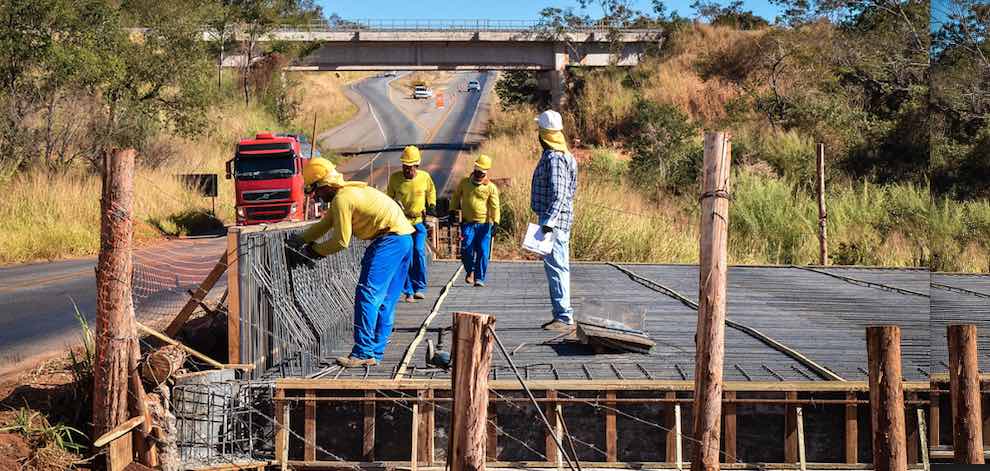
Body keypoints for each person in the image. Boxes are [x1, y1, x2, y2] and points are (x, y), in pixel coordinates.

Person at [291, 158, 414, 368]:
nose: (317, 197)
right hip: (404, 239)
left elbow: (341, 241)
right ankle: (375, 352)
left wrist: (312, 251)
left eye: (316, 192)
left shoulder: (342, 199)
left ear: (324, 185)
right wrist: (300, 240)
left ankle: (362, 352)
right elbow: (325, 225)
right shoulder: (347, 193)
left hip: (390, 241)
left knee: (368, 294)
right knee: (385, 301)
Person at [530, 110, 578, 332]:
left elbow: (559, 194)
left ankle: (563, 316)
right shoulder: (565, 156)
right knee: (559, 266)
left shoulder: (555, 158)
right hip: (558, 220)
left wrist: (548, 223)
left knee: (557, 267)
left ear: (544, 134)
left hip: (554, 222)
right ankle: (562, 313)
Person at [387, 146, 437, 302]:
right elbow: (389, 198)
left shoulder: (424, 177)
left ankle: (420, 287)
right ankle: (408, 290)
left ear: (417, 165)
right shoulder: (395, 179)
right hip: (402, 224)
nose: (407, 169)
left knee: (418, 251)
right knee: (406, 254)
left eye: (410, 166)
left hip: (419, 222)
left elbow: (431, 191)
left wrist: (432, 205)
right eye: (404, 166)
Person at [450, 154, 500, 287]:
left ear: (486, 173)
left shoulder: (491, 188)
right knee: (466, 248)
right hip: (468, 224)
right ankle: (470, 270)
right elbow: (456, 197)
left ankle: (480, 278)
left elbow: (495, 206)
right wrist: (452, 210)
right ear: (474, 169)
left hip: (484, 225)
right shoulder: (465, 183)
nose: (479, 175)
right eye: (477, 171)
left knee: (483, 252)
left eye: (481, 173)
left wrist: (496, 222)